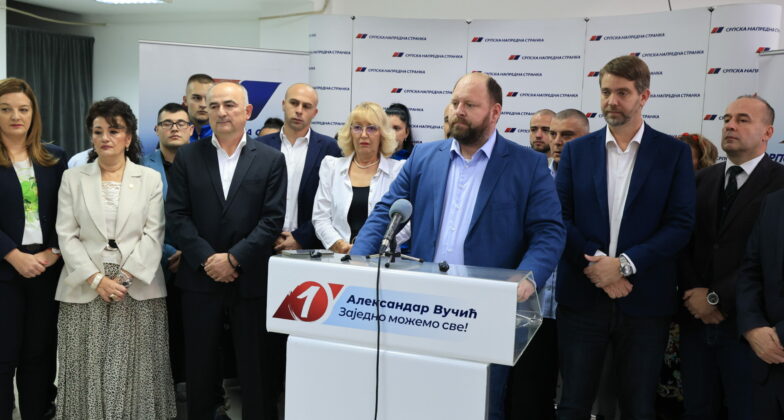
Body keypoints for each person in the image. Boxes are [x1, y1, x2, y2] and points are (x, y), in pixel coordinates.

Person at [351, 72, 565, 420]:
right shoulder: (423, 157)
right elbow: (385, 213)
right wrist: (355, 261)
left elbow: (548, 231)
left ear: (495, 113)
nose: (458, 111)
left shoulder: (526, 164)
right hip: (423, 304)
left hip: (487, 308)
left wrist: (528, 275)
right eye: (455, 102)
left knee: (479, 403)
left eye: (470, 105)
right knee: (419, 398)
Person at [555, 55, 695, 420]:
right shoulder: (576, 151)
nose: (611, 101)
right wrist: (599, 266)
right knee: (572, 405)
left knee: (637, 407)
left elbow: (680, 224)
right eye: (605, 92)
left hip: (644, 302)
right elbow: (559, 218)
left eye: (622, 93)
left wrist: (624, 266)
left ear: (644, 96)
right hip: (583, 298)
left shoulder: (673, 153)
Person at [166, 81, 287, 420]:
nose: (221, 112)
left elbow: (271, 220)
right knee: (200, 370)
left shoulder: (271, 159)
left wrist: (234, 259)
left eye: (230, 105)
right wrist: (208, 259)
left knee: (256, 371)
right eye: (214, 105)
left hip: (250, 280)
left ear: (247, 112)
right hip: (199, 279)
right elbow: (176, 215)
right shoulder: (188, 156)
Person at [55, 97, 175, 419]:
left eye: (114, 130)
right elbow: (66, 234)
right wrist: (97, 279)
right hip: (85, 285)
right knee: (86, 367)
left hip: (137, 286)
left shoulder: (149, 178)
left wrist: (122, 279)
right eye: (98, 131)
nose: (105, 137)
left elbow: (154, 234)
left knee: (137, 370)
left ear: (128, 136)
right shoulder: (73, 178)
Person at [678, 95, 784, 420]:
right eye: (726, 119)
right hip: (696, 322)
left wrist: (715, 297)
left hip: (749, 328)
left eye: (742, 119)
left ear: (768, 132)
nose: (730, 126)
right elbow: (682, 242)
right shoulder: (700, 180)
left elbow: (766, 260)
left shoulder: (780, 185)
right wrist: (695, 293)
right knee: (697, 409)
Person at [506, 107, 589, 420]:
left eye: (567, 135)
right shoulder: (533, 177)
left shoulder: (593, 181)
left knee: (576, 396)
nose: (556, 141)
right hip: (534, 304)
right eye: (553, 134)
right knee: (528, 392)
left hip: (577, 304)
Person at [0, 78, 66, 420]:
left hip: (46, 268)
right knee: (3, 354)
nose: (16, 116)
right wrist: (12, 255)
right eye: (6, 109)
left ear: (33, 113)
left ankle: (37, 412)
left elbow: (69, 212)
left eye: (23, 109)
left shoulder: (54, 158)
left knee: (39, 353)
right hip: (4, 269)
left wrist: (53, 251)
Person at [142, 102, 194, 399]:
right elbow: (135, 221)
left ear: (191, 129)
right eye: (167, 123)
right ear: (156, 129)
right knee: (158, 331)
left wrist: (189, 253)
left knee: (193, 330)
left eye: (180, 123)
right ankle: (159, 392)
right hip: (154, 262)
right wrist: (168, 252)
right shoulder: (140, 167)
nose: (174, 128)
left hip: (195, 261)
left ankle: (193, 387)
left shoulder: (205, 164)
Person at [256, 83, 341, 251]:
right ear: (283, 104)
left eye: (306, 106)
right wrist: (269, 235)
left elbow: (335, 203)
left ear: (315, 112)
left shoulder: (331, 149)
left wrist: (301, 237)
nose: (299, 110)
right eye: (294, 103)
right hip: (262, 244)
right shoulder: (259, 146)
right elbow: (251, 199)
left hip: (310, 247)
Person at [313, 102, 406, 253]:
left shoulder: (398, 171)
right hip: (339, 258)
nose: (363, 134)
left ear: (382, 133)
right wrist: (340, 245)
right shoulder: (332, 167)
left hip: (381, 259)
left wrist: (373, 247)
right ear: (349, 132)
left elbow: (406, 223)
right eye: (357, 127)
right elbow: (320, 218)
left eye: (371, 128)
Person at [737, 189, 784, 420]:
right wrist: (752, 326)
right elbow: (750, 270)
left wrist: (779, 335)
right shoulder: (773, 202)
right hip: (766, 367)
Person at [183, 73, 215, 142]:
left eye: (208, 98)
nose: (203, 105)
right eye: (197, 98)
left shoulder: (225, 136)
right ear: (185, 100)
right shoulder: (174, 135)